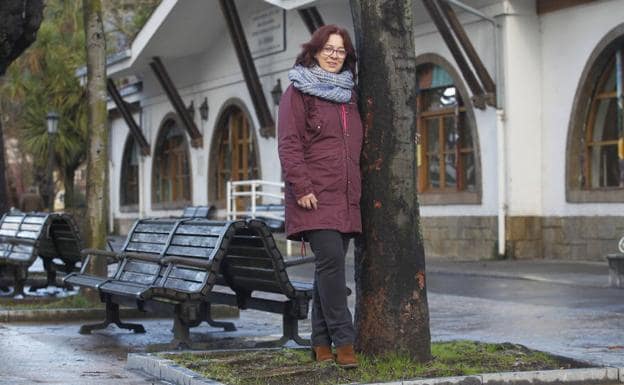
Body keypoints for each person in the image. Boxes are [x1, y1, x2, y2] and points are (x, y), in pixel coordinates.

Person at [278, 24, 362, 368]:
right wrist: (303, 187)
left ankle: (320, 343)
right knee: (332, 270)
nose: (333, 56)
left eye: (340, 51)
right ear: (313, 52)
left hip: (344, 195)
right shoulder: (298, 92)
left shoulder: (350, 95)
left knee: (326, 271)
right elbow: (289, 143)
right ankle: (345, 342)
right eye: (328, 49)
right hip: (313, 196)